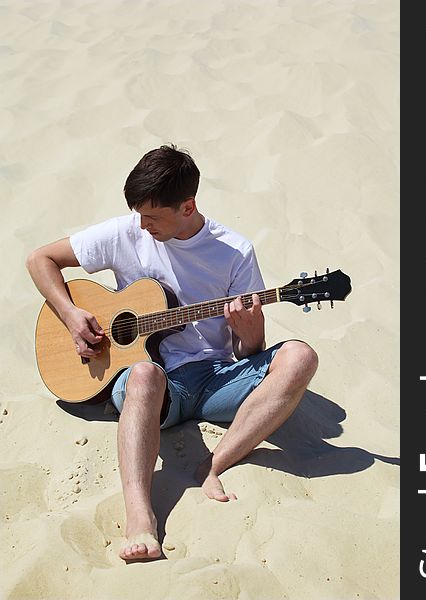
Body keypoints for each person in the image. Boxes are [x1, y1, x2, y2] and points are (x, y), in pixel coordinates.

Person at [26, 144, 318, 561]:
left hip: (216, 379)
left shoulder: (233, 251)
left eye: (153, 218)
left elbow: (246, 352)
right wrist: (72, 315)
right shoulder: (126, 231)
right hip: (153, 384)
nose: (143, 226)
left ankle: (214, 465)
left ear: (188, 206)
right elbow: (40, 259)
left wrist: (250, 332)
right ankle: (140, 517)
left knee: (301, 357)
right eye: (139, 215)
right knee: (146, 374)